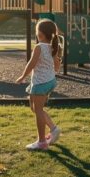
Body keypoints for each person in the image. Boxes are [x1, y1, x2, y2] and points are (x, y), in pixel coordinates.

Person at [16, 19, 63, 150]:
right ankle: (54, 130)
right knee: (35, 108)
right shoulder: (53, 47)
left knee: (38, 111)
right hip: (49, 81)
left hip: (41, 83)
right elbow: (57, 68)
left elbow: (31, 64)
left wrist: (22, 76)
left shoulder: (39, 47)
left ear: (40, 34)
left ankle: (42, 142)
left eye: (37, 32)